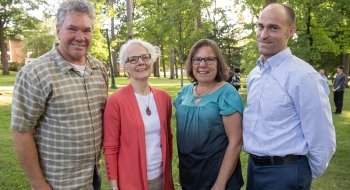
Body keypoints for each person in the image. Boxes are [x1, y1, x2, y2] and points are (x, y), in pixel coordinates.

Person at [11, 0, 108, 189]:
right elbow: (22, 131)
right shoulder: (35, 73)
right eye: (72, 29)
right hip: (58, 182)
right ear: (58, 31)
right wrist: (38, 184)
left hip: (93, 176)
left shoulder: (99, 69)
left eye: (86, 30)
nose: (80, 37)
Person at [243, 3, 336, 190]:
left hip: (286, 174)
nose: (263, 34)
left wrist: (300, 173)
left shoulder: (304, 77)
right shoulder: (255, 74)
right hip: (254, 169)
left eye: (274, 27)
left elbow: (323, 139)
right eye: (261, 26)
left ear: (291, 31)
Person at [103, 39, 174, 190]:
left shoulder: (164, 98)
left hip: (161, 179)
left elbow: (168, 137)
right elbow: (110, 148)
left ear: (152, 60)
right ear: (125, 67)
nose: (140, 62)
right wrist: (114, 187)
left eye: (145, 57)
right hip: (130, 182)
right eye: (133, 59)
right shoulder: (116, 101)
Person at [174, 39, 244, 190]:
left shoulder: (227, 94)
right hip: (189, 175)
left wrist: (220, 184)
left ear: (218, 63)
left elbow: (236, 142)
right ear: (191, 63)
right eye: (197, 59)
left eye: (209, 59)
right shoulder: (184, 93)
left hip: (217, 177)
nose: (202, 65)